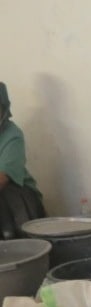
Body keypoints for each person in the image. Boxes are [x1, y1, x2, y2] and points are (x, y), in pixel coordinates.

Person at [0, 82, 45, 240]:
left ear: (3, 110)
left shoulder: (12, 135)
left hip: (16, 201)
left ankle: (16, 248)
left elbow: (3, 179)